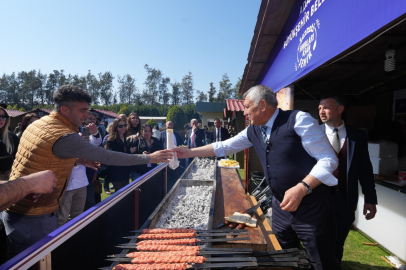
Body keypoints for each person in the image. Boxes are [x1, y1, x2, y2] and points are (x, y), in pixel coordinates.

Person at [174, 85, 339, 270]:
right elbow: (224, 146)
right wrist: (187, 153)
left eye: (247, 106)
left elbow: (329, 159)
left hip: (311, 208)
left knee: (321, 261)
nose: (245, 112)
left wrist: (302, 187)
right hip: (281, 208)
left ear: (262, 105)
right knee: (286, 258)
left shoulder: (298, 120)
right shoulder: (254, 130)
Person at [2, 85, 173, 259]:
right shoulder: (64, 135)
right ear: (65, 110)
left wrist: (77, 160)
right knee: (41, 262)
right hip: (34, 216)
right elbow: (107, 156)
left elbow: (44, 155)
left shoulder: (40, 124)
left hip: (16, 208)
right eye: (82, 110)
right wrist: (149, 158)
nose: (86, 115)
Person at [319, 93, 377, 268]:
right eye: (319, 108)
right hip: (318, 200)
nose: (321, 112)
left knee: (338, 242)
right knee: (318, 242)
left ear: (340, 109)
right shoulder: (312, 134)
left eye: (326, 108)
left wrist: (370, 199)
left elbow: (365, 170)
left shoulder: (357, 136)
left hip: (345, 200)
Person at [57, 125, 102, 227]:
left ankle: (74, 239)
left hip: (81, 182)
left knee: (78, 216)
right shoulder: (60, 134)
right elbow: (60, 158)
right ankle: (60, 241)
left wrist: (93, 133)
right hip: (66, 183)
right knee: (62, 217)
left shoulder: (81, 135)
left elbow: (96, 143)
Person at [103, 118, 135, 191]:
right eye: (120, 126)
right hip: (116, 171)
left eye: (125, 125)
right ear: (115, 127)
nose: (123, 128)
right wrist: (130, 152)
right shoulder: (111, 140)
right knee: (120, 193)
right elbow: (115, 156)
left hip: (125, 170)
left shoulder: (125, 138)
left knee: (125, 193)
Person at [0, 107, 19, 180]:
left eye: (4, 117)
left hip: (7, 182)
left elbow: (16, 160)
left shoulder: (12, 137)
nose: (1, 119)